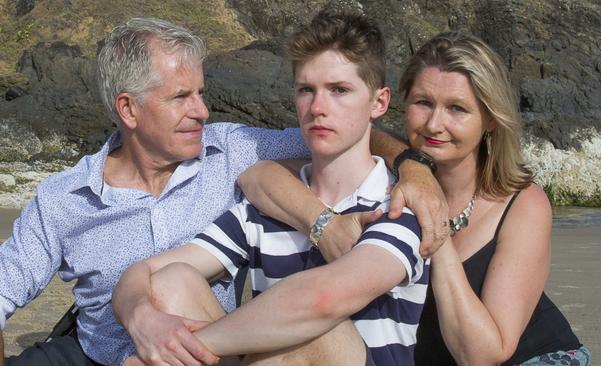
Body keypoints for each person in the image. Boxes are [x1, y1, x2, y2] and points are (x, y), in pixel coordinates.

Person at [239, 32, 592, 365]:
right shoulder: (378, 176)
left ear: (489, 119)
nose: (435, 124)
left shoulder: (521, 203)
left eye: (457, 108)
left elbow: (484, 356)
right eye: (423, 103)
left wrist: (435, 226)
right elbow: (258, 176)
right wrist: (326, 224)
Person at [113, 10, 428, 366]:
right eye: (306, 90)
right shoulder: (268, 207)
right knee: (171, 282)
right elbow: (144, 274)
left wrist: (180, 348)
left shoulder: (401, 204)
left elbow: (321, 301)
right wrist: (142, 318)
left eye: (339, 90)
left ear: (379, 102)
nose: (318, 108)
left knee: (316, 330)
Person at [0, 17, 313, 366]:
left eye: (200, 93)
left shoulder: (231, 150)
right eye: (181, 97)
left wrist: (390, 164)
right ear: (128, 109)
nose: (202, 111)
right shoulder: (64, 198)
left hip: (201, 355)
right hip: (96, 358)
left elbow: (334, 138)